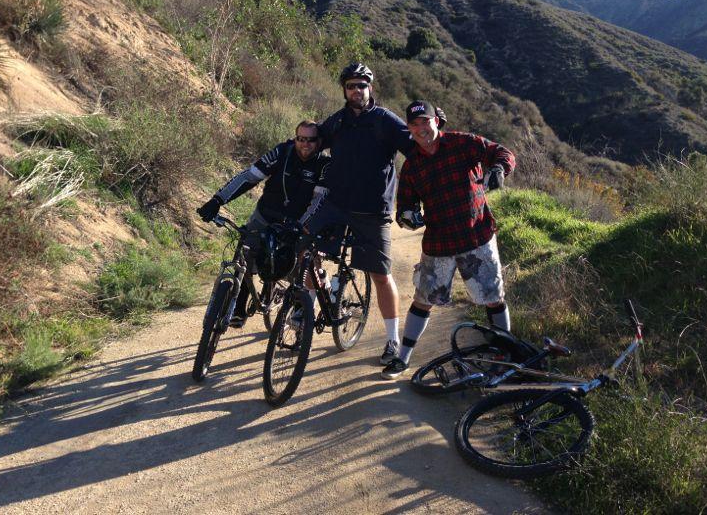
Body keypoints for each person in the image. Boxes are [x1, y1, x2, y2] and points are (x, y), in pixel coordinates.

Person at [381, 100, 516, 379]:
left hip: (476, 237)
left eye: (425, 122)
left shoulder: (463, 144)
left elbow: (501, 153)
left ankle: (505, 357)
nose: (421, 129)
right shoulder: (412, 166)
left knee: (493, 298)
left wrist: (500, 169)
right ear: (409, 128)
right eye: (415, 124)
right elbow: (405, 205)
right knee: (423, 299)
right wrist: (407, 216)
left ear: (436, 122)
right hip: (438, 244)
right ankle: (402, 359)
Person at [307, 63, 414, 364]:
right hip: (336, 205)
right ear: (344, 89)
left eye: (362, 85)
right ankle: (306, 309)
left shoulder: (385, 121)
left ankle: (393, 340)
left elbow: (415, 153)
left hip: (372, 211)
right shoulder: (338, 121)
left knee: (380, 275)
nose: (357, 90)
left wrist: (413, 199)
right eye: (351, 85)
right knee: (308, 253)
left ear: (370, 88)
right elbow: (311, 143)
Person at [197, 120, 330, 327]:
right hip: (266, 214)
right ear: (295, 138)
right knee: (247, 254)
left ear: (319, 141)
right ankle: (238, 310)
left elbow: (318, 202)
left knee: (299, 267)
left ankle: (300, 309)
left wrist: (300, 225)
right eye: (300, 139)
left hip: (297, 222)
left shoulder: (324, 165)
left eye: (311, 140)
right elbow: (249, 177)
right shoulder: (281, 153)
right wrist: (217, 200)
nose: (305, 144)